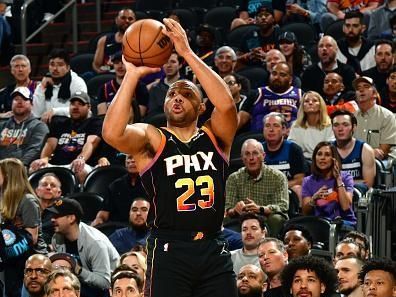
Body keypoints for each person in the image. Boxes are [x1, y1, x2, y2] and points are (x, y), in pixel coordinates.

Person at [102, 17, 238, 297]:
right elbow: (112, 133)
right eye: (172, 93)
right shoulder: (152, 137)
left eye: (186, 94)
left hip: (213, 246)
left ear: (201, 106)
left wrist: (187, 53)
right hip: (169, 248)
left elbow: (225, 104)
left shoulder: (216, 135)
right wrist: (131, 75)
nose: (177, 97)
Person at [48, 198, 120, 295]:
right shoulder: (57, 238)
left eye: (57, 216)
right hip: (77, 286)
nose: (52, 219)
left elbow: (105, 283)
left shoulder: (95, 242)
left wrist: (78, 270)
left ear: (71, 218)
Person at [30, 91, 102, 182]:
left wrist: (81, 159)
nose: (75, 107)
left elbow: (91, 143)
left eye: (80, 104)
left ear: (89, 107)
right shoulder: (59, 123)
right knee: (34, 167)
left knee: (80, 169)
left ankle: (79, 195)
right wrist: (44, 159)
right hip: (57, 164)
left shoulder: (94, 122)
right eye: (72, 104)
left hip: (80, 163)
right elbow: (50, 144)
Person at [0, 158, 47, 297]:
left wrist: (11, 231)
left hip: (31, 259)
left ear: (9, 175)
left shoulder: (28, 201)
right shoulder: (3, 198)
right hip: (11, 259)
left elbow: (31, 237)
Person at [225, 139, 289, 237]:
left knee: (276, 218)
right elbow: (228, 208)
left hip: (267, 218)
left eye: (255, 153)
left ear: (263, 156)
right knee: (224, 220)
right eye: (247, 154)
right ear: (242, 158)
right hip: (242, 220)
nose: (251, 158)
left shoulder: (277, 177)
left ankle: (271, 246)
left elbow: (283, 205)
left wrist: (260, 209)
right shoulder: (234, 178)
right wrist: (235, 210)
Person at [301, 141, 356, 227]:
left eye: (327, 155)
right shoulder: (308, 181)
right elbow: (305, 212)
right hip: (319, 224)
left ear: (334, 159)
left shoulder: (345, 177)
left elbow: (345, 206)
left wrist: (338, 178)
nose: (322, 158)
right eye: (319, 154)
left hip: (344, 224)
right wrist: (314, 199)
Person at [243, 61, 302, 132]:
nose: (277, 77)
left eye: (282, 75)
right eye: (274, 74)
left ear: (290, 80)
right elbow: (241, 118)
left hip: (291, 136)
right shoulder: (257, 94)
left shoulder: (300, 94)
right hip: (259, 137)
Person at [32, 48, 87, 122]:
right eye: (52, 64)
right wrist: (42, 88)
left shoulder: (77, 82)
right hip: (48, 125)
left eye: (60, 65)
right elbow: (37, 113)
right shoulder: (44, 83)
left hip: (72, 123)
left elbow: (80, 109)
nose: (55, 68)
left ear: (68, 67)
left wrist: (55, 111)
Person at [91, 154, 147, 226]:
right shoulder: (115, 185)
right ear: (125, 162)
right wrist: (99, 219)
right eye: (129, 158)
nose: (132, 161)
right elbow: (104, 212)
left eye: (136, 157)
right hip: (117, 229)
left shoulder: (153, 185)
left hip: (144, 229)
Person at [0, 86, 49, 167]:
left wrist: (18, 167)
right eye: (16, 99)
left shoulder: (39, 126)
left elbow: (34, 151)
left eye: (24, 99)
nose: (19, 102)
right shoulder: (2, 126)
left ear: (32, 104)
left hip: (22, 169)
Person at [262, 112, 306, 201]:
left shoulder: (294, 149)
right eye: (267, 125)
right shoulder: (257, 149)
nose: (271, 129)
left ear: (284, 130)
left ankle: (299, 215)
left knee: (298, 189)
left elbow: (300, 179)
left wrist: (278, 188)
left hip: (287, 190)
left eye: (275, 125)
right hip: (261, 191)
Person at [331, 109, 376, 192]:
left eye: (345, 125)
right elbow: (322, 182)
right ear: (332, 128)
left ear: (354, 127)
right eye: (336, 125)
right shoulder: (327, 149)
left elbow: (367, 185)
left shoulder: (365, 150)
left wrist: (339, 183)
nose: (340, 129)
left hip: (357, 197)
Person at [353, 76, 396, 160]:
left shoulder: (387, 116)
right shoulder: (351, 118)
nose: (361, 90)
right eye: (358, 88)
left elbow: (384, 150)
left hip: (378, 164)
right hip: (354, 163)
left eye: (366, 87)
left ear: (375, 94)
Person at [97, 51, 149, 119]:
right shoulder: (104, 88)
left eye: (123, 63)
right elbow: (102, 116)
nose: (120, 66)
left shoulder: (140, 87)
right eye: (116, 63)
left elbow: (140, 113)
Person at [288, 91, 335, 160]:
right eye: (306, 101)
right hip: (303, 160)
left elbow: (330, 146)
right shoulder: (296, 125)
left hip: (324, 159)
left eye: (314, 101)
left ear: (320, 105)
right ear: (302, 106)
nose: (310, 103)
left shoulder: (329, 125)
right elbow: (294, 148)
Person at [92, 8, 136, 74]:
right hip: (107, 75)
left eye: (130, 19)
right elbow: (96, 65)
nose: (127, 21)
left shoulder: (140, 41)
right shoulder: (104, 40)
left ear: (135, 22)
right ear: (116, 20)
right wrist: (100, 73)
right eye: (123, 18)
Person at [147, 52, 183, 117]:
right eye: (166, 62)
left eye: (173, 62)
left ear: (180, 65)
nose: (169, 65)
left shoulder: (187, 87)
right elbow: (152, 114)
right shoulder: (155, 88)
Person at [35, 173, 62, 245]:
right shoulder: (27, 209)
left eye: (53, 186)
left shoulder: (64, 213)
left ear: (59, 193)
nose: (48, 188)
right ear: (37, 191)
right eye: (44, 185)